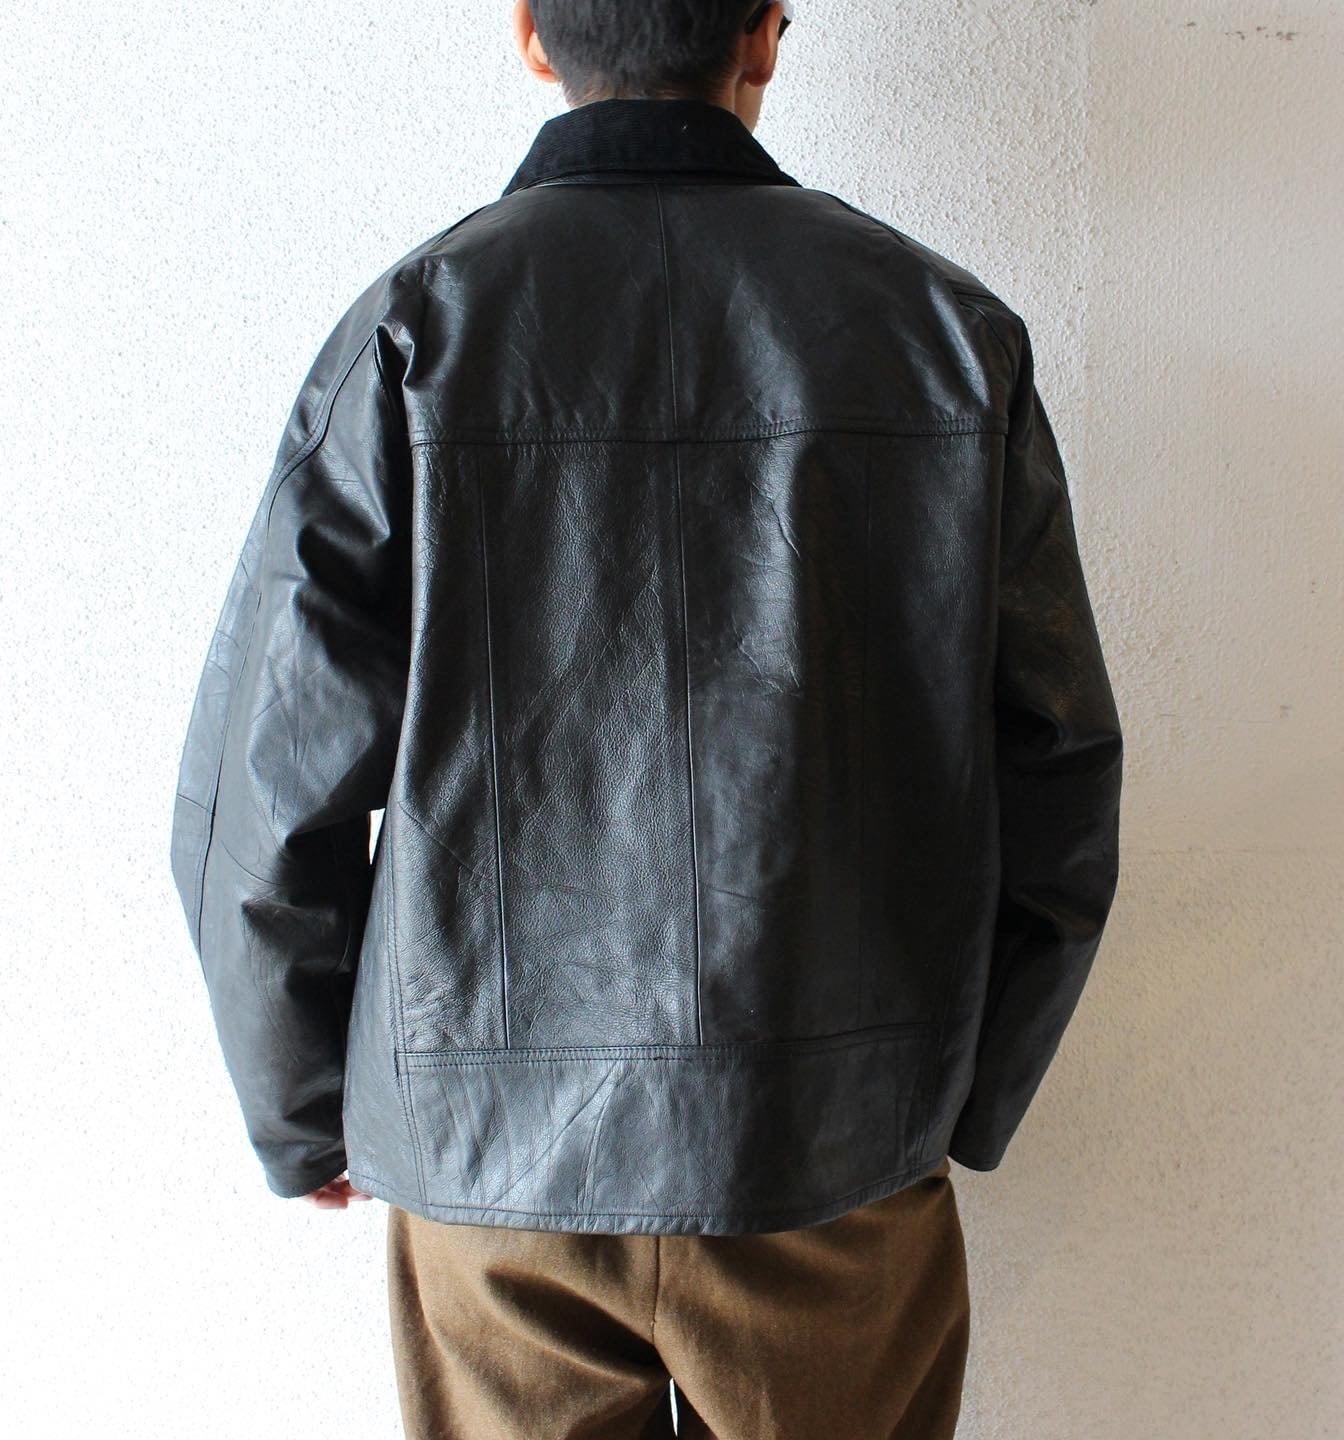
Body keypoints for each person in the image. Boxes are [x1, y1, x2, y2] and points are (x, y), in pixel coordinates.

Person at [168, 1, 1124, 1434]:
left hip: (490, 1156)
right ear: (764, 36)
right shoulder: (949, 335)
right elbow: (1058, 764)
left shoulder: (413, 332)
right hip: (832, 1146)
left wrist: (300, 1110)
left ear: (531, 33)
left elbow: (267, 790)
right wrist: (964, 1096)